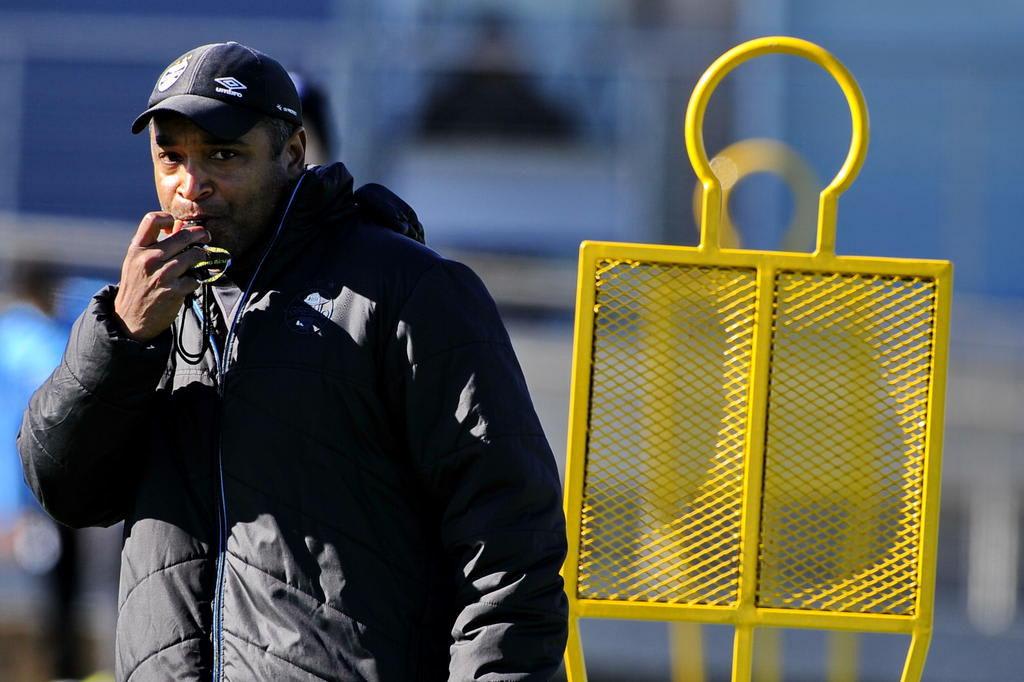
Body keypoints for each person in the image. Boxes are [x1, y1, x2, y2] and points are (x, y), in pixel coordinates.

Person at [18, 41, 568, 681]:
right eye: (171, 157)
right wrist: (123, 337)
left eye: (224, 155)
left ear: (294, 153)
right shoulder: (143, 310)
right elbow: (64, 489)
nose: (190, 186)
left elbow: (509, 540)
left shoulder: (408, 291)